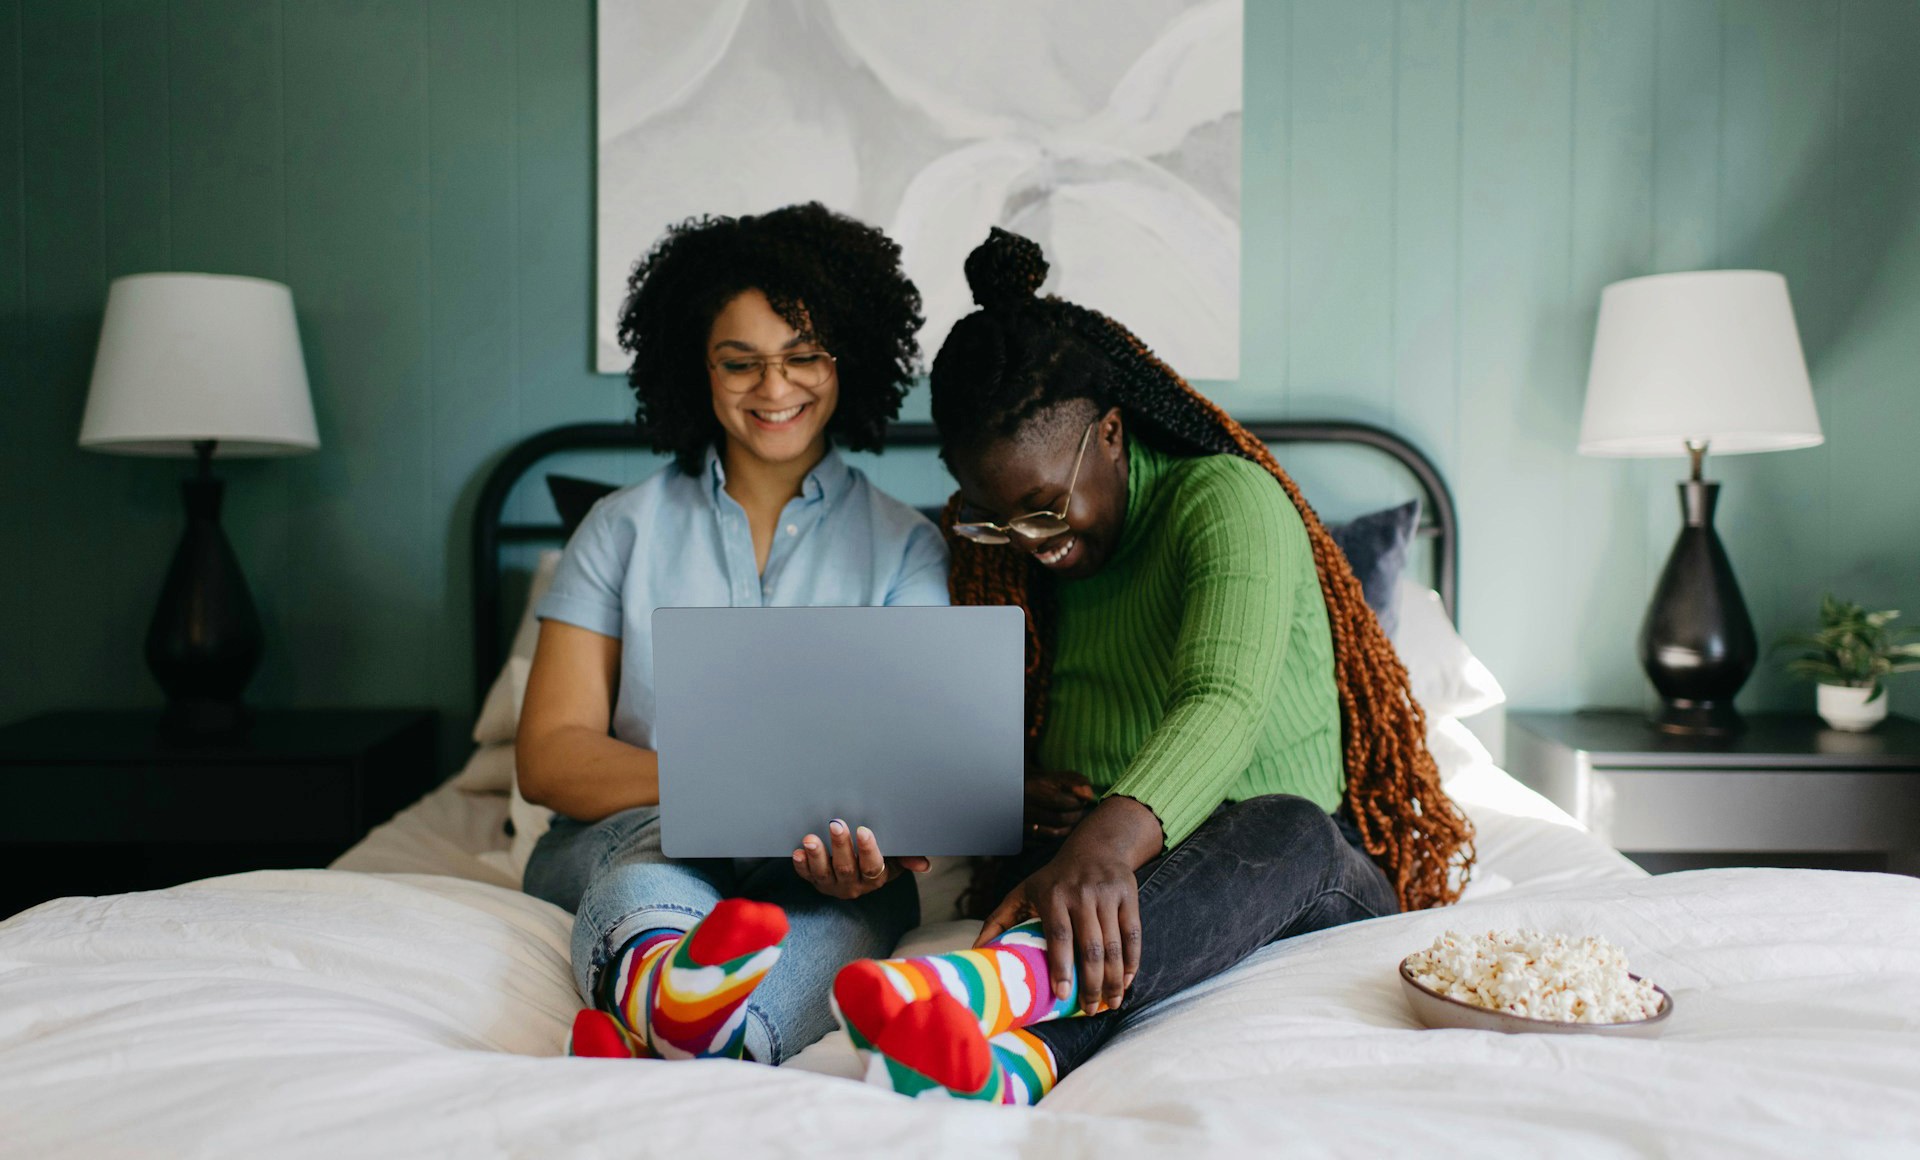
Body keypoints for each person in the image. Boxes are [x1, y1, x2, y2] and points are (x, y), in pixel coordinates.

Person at [828, 228, 1476, 1104]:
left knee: (1283, 823)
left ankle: (991, 989)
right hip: (1127, 875)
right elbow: (974, 732)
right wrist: (1011, 795)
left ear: (1112, 433)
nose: (1034, 546)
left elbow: (1221, 701)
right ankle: (1014, 1067)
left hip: (1300, 872)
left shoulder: (1227, 501)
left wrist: (1101, 844)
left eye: (1046, 510)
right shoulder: (1011, 561)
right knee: (1084, 882)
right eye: (995, 519)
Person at [517, 203, 947, 1066]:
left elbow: (916, 770)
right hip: (639, 826)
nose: (775, 388)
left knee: (858, 908)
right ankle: (677, 1000)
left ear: (846, 361)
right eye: (740, 362)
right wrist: (719, 793)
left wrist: (872, 849)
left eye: (803, 357)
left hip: (817, 859)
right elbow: (549, 757)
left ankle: (700, 1030)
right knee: (654, 849)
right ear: (697, 368)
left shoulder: (906, 545)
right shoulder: (619, 529)